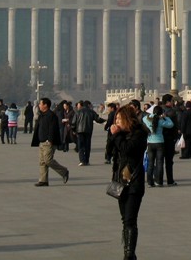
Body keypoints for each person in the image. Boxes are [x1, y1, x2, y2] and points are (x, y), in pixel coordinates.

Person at [108, 104, 149, 260]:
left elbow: (127, 150)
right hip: (120, 182)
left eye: (119, 118)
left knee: (131, 219)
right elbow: (111, 151)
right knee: (125, 219)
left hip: (134, 183)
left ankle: (129, 254)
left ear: (126, 119)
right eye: (115, 118)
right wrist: (112, 136)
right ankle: (129, 252)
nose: (116, 121)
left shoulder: (139, 134)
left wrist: (116, 136)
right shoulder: (121, 134)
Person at [31, 97, 70, 186]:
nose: (39, 106)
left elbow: (52, 129)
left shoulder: (51, 115)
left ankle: (64, 171)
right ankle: (43, 180)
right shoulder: (41, 115)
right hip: (41, 142)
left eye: (40, 104)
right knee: (42, 162)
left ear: (45, 105)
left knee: (48, 160)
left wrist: (50, 140)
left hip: (48, 142)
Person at [143, 105, 173, 187]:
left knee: (151, 163)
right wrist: (165, 117)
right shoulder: (160, 120)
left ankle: (150, 182)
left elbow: (143, 118)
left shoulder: (147, 119)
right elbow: (171, 124)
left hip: (150, 142)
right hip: (160, 142)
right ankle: (159, 181)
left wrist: (151, 115)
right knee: (160, 163)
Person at [73, 100, 106, 166]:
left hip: (79, 131)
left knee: (81, 146)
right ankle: (87, 160)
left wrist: (74, 130)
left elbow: (73, 123)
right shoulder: (91, 112)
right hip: (88, 131)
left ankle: (82, 161)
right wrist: (105, 120)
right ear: (88, 105)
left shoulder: (78, 112)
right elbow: (98, 119)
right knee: (87, 146)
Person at [160, 94, 181, 186]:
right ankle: (170, 180)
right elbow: (175, 126)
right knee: (168, 161)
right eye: (172, 101)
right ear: (168, 102)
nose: (173, 103)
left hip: (158, 139)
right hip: (169, 139)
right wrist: (176, 137)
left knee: (159, 161)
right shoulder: (172, 112)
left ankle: (158, 180)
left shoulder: (157, 110)